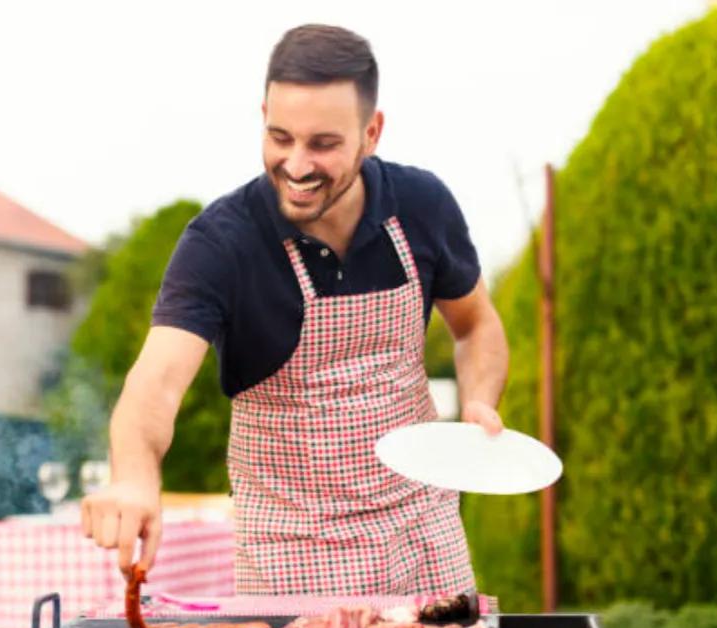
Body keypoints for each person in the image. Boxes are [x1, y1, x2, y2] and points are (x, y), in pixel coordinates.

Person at [81, 23, 509, 596]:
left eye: (323, 144)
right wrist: (133, 478)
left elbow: (476, 324)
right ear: (262, 116)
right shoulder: (222, 243)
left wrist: (479, 402)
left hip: (422, 529)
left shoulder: (422, 206)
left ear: (371, 132)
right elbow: (154, 384)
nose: (297, 165)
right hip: (293, 550)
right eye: (279, 137)